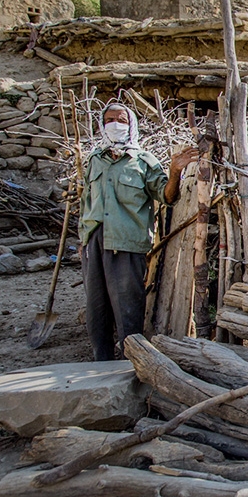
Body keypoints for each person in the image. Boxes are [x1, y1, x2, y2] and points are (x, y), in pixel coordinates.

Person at [79, 102, 197, 361]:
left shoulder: (143, 162)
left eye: (120, 119)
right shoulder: (94, 160)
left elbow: (166, 196)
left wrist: (175, 172)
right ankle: (102, 363)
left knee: (128, 308)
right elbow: (86, 200)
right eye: (109, 119)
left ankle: (133, 362)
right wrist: (83, 239)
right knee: (96, 308)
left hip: (127, 243)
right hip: (95, 240)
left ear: (131, 125)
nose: (114, 124)